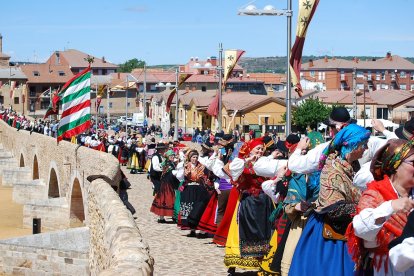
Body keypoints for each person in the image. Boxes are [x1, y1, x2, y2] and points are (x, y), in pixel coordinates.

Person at [289, 124, 371, 276]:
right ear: (352, 144)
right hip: (330, 237)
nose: (366, 148)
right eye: (363, 144)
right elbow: (335, 209)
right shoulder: (332, 169)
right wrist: (368, 207)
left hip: (348, 229)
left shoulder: (353, 165)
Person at [347, 139, 414, 276]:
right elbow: (360, 229)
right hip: (383, 269)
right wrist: (390, 207)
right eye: (413, 163)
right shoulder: (375, 194)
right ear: (396, 165)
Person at [224, 137, 275, 274]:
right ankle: (234, 263)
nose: (259, 151)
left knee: (264, 231)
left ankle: (262, 262)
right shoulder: (241, 162)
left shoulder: (265, 163)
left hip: (264, 202)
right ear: (250, 150)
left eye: (261, 149)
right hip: (248, 202)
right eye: (257, 149)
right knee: (242, 231)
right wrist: (247, 161)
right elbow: (232, 170)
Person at [179, 149, 210, 237]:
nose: (195, 159)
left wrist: (203, 178)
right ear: (190, 158)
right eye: (193, 157)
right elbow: (180, 177)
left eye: (196, 157)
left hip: (199, 189)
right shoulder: (185, 166)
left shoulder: (202, 167)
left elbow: (206, 177)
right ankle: (192, 230)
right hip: (188, 188)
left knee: (198, 208)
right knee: (189, 208)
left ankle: (199, 228)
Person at [150, 149, 180, 223]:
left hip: (169, 183)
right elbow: (170, 172)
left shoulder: (170, 163)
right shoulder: (167, 163)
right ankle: (163, 217)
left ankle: (170, 216)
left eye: (173, 155)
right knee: (166, 199)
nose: (173, 157)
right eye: (171, 155)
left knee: (170, 199)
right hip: (166, 184)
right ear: (168, 156)